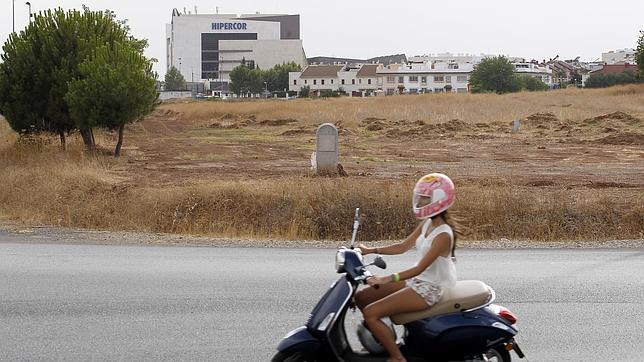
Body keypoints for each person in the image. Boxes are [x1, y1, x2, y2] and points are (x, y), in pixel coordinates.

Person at [355, 173, 459, 362]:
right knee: (362, 297)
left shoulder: (444, 235)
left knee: (371, 313)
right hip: (415, 281)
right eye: (420, 196)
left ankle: (397, 357)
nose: (420, 201)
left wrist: (387, 278)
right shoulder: (427, 223)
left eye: (425, 197)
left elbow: (419, 268)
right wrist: (370, 250)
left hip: (428, 289)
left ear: (439, 200)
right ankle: (385, 340)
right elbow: (402, 247)